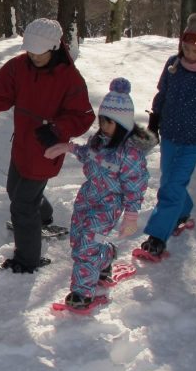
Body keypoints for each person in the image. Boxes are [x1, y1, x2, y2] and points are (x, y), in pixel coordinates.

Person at [0, 18, 95, 273]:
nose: (33, 57)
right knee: (15, 190)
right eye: (29, 52)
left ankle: (27, 259)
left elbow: (83, 116)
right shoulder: (18, 67)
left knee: (21, 205)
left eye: (38, 53)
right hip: (21, 145)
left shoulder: (70, 79)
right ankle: (42, 216)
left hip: (46, 151)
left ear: (55, 48)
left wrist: (58, 129)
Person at [44, 78, 155, 310]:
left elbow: (136, 186)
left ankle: (82, 292)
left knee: (86, 246)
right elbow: (88, 155)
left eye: (110, 122)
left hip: (108, 206)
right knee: (77, 243)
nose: (104, 126)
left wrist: (131, 216)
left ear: (123, 123)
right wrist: (70, 148)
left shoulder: (130, 154)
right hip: (87, 199)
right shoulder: (100, 141)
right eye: (102, 121)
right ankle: (106, 256)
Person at [137, 13, 196, 259]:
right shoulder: (174, 64)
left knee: (171, 186)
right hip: (170, 132)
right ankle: (182, 211)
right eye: (186, 48)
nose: (190, 53)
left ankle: (158, 236)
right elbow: (162, 93)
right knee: (170, 178)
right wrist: (154, 120)